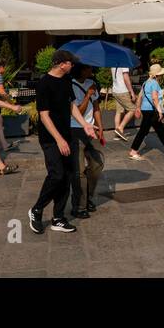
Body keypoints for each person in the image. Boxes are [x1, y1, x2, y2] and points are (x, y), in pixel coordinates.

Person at [28, 49, 96, 234]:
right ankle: (36, 209)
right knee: (56, 175)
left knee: (67, 176)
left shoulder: (66, 81)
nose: (72, 65)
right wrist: (58, 139)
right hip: (51, 139)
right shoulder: (44, 84)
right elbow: (44, 116)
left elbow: (71, 105)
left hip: (68, 135)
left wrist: (85, 125)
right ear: (60, 63)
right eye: (70, 62)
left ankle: (58, 217)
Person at [69, 63, 105, 219]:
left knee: (97, 164)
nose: (92, 70)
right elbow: (78, 111)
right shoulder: (70, 86)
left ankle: (88, 196)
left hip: (92, 130)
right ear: (81, 69)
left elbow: (96, 107)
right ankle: (79, 205)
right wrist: (87, 95)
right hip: (75, 129)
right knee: (79, 170)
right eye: (89, 68)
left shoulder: (92, 83)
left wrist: (101, 127)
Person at [129, 63, 164, 160]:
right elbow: (155, 98)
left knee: (159, 129)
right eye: (161, 74)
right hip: (151, 110)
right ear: (158, 75)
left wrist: (137, 108)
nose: (162, 76)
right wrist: (159, 111)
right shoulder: (154, 83)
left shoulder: (146, 82)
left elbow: (140, 96)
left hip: (146, 109)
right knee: (143, 131)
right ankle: (133, 151)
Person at [109, 64, 138, 140]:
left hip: (115, 90)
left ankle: (117, 133)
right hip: (123, 91)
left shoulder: (113, 64)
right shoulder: (124, 64)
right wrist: (131, 92)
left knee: (119, 111)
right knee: (132, 109)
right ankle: (120, 128)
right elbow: (126, 77)